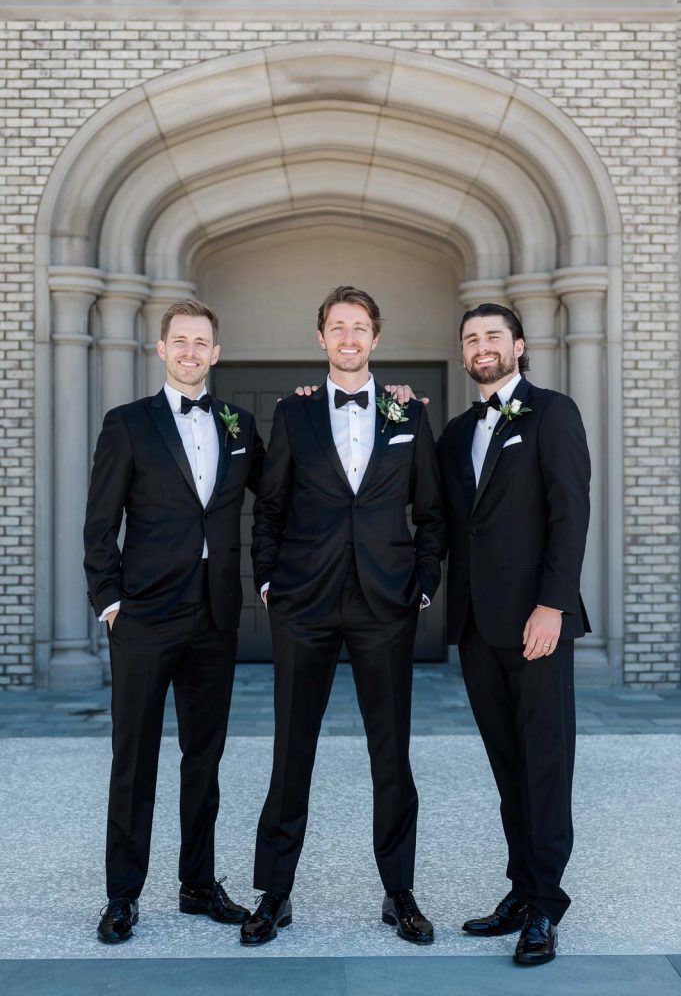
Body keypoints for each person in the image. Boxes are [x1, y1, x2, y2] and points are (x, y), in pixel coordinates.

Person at [242, 285, 446, 947]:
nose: (349, 338)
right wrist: (268, 580)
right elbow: (270, 507)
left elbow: (431, 512)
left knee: (391, 754)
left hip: (385, 602)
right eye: (338, 327)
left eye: (360, 327)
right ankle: (274, 893)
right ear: (321, 337)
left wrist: (422, 584)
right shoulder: (292, 413)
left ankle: (399, 892)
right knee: (290, 750)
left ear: (375, 337)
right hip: (303, 601)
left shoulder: (409, 413)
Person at [84, 299, 265, 944]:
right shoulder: (128, 423)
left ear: (216, 353)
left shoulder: (240, 424)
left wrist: (332, 405)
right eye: (179, 341)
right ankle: (122, 895)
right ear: (161, 349)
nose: (190, 352)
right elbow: (99, 524)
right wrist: (110, 602)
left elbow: (285, 486)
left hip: (215, 615)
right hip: (144, 615)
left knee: (204, 757)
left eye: (201, 342)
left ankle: (198, 883)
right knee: (133, 757)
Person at [437, 303, 590, 965]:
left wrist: (552, 605)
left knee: (545, 765)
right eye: (471, 338)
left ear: (518, 346)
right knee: (508, 767)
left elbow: (570, 513)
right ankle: (521, 890)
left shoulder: (552, 413)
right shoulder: (454, 433)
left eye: (493, 336)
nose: (482, 346)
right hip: (477, 625)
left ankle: (545, 907)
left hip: (536, 623)